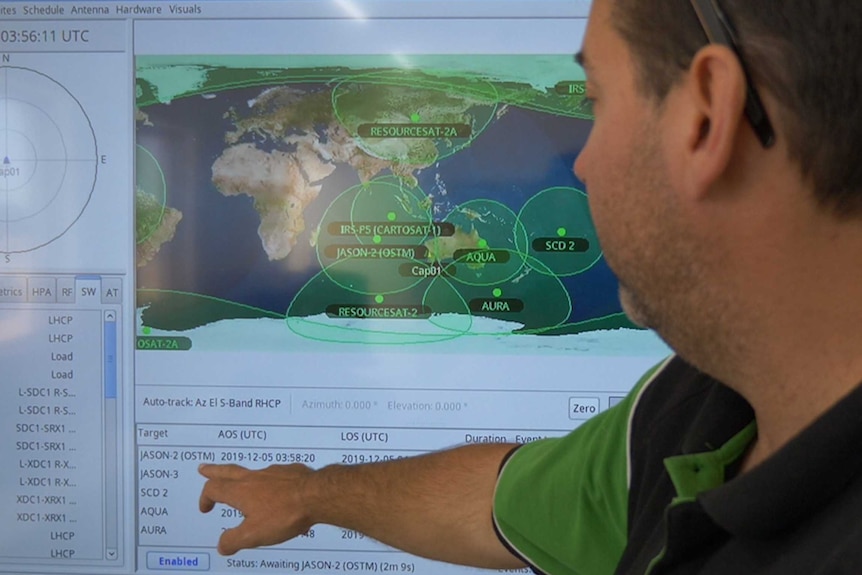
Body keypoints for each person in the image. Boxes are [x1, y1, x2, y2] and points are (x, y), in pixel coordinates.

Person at [199, 0, 862, 572]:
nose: (582, 161)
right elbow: (493, 499)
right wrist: (312, 493)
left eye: (594, 100)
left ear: (706, 118)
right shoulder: (699, 410)